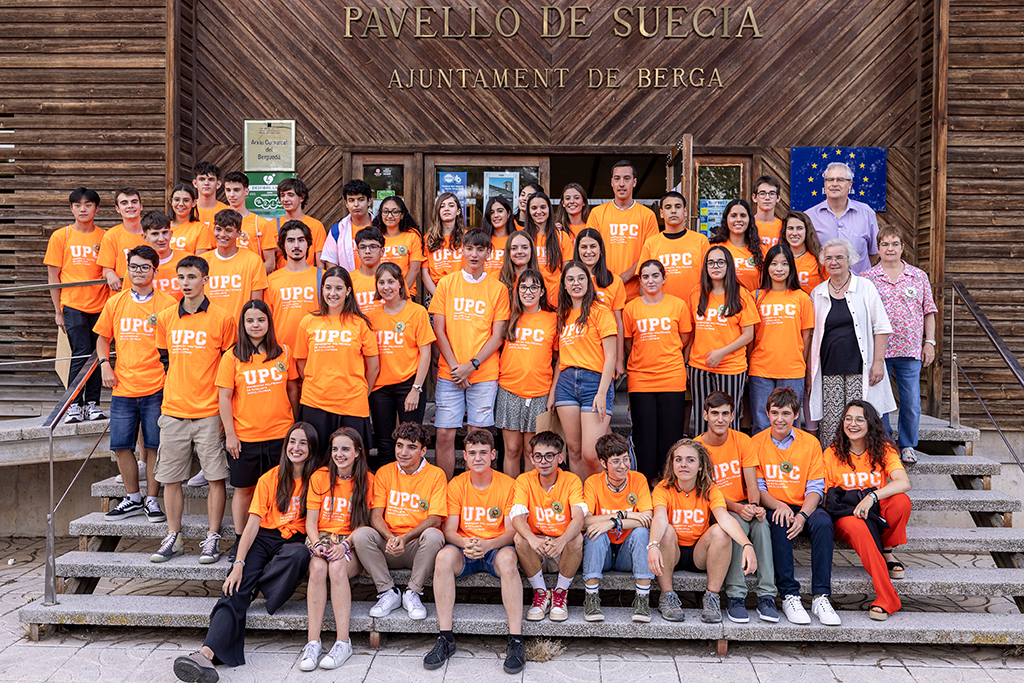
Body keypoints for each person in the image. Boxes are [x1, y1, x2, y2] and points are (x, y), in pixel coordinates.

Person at [171, 423, 318, 683]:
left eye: (303, 443)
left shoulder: (317, 479)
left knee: (299, 555)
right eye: (292, 442)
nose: (296, 448)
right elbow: (252, 525)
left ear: (312, 448)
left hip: (294, 542)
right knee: (234, 588)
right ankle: (205, 655)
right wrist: (239, 563)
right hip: (264, 538)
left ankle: (256, 584)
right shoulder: (270, 478)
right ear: (285, 446)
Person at [153, 256, 236, 563]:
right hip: (173, 410)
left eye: (191, 277)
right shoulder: (166, 318)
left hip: (209, 412)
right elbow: (165, 359)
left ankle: (212, 537)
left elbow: (230, 368)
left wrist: (225, 417)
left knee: (215, 478)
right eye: (181, 277)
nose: (185, 283)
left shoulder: (223, 318)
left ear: (205, 280)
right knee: (170, 478)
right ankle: (173, 536)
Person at [422, 430, 525, 674]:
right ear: (465, 457)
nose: (478, 458)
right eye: (472, 453)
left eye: (483, 452)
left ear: (493, 454)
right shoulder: (457, 484)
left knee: (509, 559)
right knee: (443, 558)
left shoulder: (508, 484)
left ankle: (516, 640)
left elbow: (512, 531)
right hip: (465, 548)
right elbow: (449, 530)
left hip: (495, 548)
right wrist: (466, 542)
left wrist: (488, 545)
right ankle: (445, 637)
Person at [94, 245, 175, 524]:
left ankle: (152, 500)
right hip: (123, 387)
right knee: (120, 446)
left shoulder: (167, 304)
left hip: (156, 386)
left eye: (144, 267)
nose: (138, 272)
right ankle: (133, 498)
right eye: (133, 266)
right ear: (126, 269)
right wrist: (104, 364)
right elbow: (102, 338)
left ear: (155, 271)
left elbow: (174, 347)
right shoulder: (115, 303)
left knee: (153, 447)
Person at [216, 300, 299, 562]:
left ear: (269, 322)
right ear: (242, 324)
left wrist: (294, 427)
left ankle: (274, 538)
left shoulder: (283, 352)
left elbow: (293, 390)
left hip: (280, 436)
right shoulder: (232, 356)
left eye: (261, 320)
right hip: (246, 438)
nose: (255, 325)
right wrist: (230, 434)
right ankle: (241, 539)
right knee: (244, 490)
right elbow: (224, 397)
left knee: (280, 488)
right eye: (250, 320)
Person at [751, 387, 840, 626]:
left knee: (823, 522)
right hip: (774, 503)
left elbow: (816, 488)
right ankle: (790, 594)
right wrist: (779, 505)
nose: (779, 419)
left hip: (804, 505)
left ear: (796, 415)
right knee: (779, 522)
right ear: (767, 414)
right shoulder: (756, 443)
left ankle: (821, 596)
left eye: (786, 413)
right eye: (775, 413)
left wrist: (802, 515)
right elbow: (758, 487)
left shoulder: (810, 443)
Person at [429, 228, 510, 479]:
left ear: (488, 253)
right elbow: (439, 330)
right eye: (469, 248)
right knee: (444, 434)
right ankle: (444, 491)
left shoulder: (498, 289)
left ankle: (473, 490)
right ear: (461, 250)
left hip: (483, 373)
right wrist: (457, 368)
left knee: (477, 438)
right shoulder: (446, 284)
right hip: (450, 372)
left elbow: (498, 335)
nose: (474, 254)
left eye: (480, 249)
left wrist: (471, 366)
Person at [647, 439, 757, 624]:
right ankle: (667, 596)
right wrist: (653, 545)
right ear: (672, 464)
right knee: (666, 530)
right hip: (671, 551)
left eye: (690, 460)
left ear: (700, 466)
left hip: (700, 553)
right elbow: (659, 518)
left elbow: (725, 518)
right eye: (678, 459)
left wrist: (747, 544)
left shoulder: (710, 489)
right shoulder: (663, 488)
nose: (683, 464)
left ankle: (712, 597)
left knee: (720, 531)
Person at [823, 401, 912, 621]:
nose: (852, 424)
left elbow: (903, 482)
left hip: (874, 511)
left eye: (859, 419)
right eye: (848, 419)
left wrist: (871, 497)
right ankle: (887, 597)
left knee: (901, 501)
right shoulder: (831, 454)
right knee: (859, 526)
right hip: (845, 516)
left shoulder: (884, 450)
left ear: (870, 424)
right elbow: (827, 497)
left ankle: (886, 549)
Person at [350, 422, 447, 621]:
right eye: (399, 445)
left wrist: (405, 538)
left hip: (417, 547)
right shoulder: (384, 472)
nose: (403, 452)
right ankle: (388, 591)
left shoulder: (436, 475)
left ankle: (412, 592)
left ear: (423, 451)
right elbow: (375, 516)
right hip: (388, 545)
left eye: (411, 447)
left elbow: (435, 518)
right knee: (361, 535)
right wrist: (391, 538)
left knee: (434, 535)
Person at [694, 392, 777, 623]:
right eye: (715, 414)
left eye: (725, 414)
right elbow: (706, 492)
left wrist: (754, 506)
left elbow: (752, 484)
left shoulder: (742, 440)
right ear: (705, 415)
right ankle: (736, 595)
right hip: (714, 510)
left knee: (761, 524)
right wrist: (739, 510)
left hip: (742, 505)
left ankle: (767, 595)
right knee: (737, 523)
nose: (720, 419)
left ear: (733, 416)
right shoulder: (697, 447)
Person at [808, 238, 896, 449]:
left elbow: (881, 327)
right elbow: (812, 335)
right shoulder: (817, 293)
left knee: (860, 423)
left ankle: (861, 464)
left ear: (850, 259)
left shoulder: (865, 287)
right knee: (831, 426)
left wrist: (878, 363)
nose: (834, 262)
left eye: (839, 257)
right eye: (829, 258)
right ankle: (833, 465)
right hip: (829, 369)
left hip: (860, 369)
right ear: (823, 261)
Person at [300, 427, 374, 671]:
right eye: (335, 449)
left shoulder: (368, 480)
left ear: (357, 452)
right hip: (320, 538)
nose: (339, 454)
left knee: (337, 568)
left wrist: (344, 545)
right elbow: (311, 522)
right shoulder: (320, 477)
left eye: (345, 449)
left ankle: (343, 642)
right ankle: (313, 642)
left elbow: (365, 524)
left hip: (350, 541)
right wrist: (317, 544)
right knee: (318, 569)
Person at [863, 225, 938, 463]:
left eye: (895, 244)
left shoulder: (918, 276)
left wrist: (930, 342)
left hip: (910, 349)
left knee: (911, 401)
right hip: (879, 351)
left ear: (903, 247)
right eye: (885, 244)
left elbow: (929, 311)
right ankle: (885, 444)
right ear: (878, 248)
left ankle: (907, 445)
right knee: (879, 401)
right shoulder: (867, 278)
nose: (890, 249)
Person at [295, 266, 378, 455]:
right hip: (315, 402)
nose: (333, 293)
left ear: (348, 291)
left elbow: (373, 367)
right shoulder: (308, 322)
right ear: (322, 289)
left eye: (339, 288)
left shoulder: (360, 324)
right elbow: (301, 362)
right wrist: (318, 382)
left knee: (352, 460)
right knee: (316, 459)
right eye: (328, 287)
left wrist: (362, 392)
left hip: (352, 404)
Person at [44, 187, 110, 423]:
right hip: (73, 305)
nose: (83, 209)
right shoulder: (61, 236)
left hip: (100, 305)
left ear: (96, 209)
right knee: (80, 352)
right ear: (71, 208)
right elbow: (53, 276)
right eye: (78, 205)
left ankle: (92, 404)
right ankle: (74, 404)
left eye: (88, 205)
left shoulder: (105, 236)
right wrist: (58, 311)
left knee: (96, 354)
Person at [622, 260, 691, 481]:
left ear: (664, 279)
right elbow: (628, 343)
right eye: (645, 276)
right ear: (640, 281)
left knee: (670, 434)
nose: (650, 281)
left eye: (655, 276)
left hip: (672, 376)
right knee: (644, 435)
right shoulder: (631, 308)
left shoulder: (678, 305)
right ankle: (649, 480)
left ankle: (668, 479)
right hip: (640, 378)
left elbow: (684, 338)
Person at [511, 431, 586, 623]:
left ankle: (560, 593)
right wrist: (532, 539)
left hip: (562, 548)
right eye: (538, 456)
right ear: (532, 458)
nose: (543, 461)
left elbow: (579, 518)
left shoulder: (571, 480)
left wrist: (561, 541)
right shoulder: (524, 480)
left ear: (560, 458)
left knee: (576, 538)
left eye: (549, 456)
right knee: (519, 538)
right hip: (536, 547)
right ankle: (541, 593)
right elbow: (517, 518)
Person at [367, 263, 435, 468]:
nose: (386, 287)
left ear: (400, 284)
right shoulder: (371, 316)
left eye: (391, 282)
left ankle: (412, 480)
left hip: (409, 384)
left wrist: (416, 389)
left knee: (411, 441)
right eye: (381, 282)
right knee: (384, 443)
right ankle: (386, 483)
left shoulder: (417, 312)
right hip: (380, 388)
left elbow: (425, 353)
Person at [687, 246, 759, 435]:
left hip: (731, 367)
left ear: (729, 265)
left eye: (720, 262)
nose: (715, 266)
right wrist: (686, 362)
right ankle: (704, 454)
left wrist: (721, 353)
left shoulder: (741, 294)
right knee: (703, 418)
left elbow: (748, 334)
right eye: (711, 262)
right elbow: (692, 331)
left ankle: (729, 454)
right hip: (699, 367)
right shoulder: (696, 293)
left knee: (727, 419)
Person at [581, 434, 654, 623]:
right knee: (595, 532)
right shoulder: (593, 482)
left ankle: (642, 599)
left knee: (642, 533)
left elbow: (647, 519)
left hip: (627, 553)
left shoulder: (638, 479)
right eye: (616, 461)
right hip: (602, 552)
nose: (623, 466)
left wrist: (614, 523)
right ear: (603, 463)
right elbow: (585, 522)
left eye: (626, 459)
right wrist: (622, 515)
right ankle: (591, 598)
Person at [554, 262, 617, 478]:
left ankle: (596, 494)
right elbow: (561, 358)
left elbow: (611, 356)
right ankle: (580, 498)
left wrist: (602, 392)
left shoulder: (601, 311)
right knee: (574, 451)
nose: (576, 283)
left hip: (594, 382)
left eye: (581, 278)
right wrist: (553, 393)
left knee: (591, 453)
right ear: (564, 285)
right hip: (566, 384)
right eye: (570, 279)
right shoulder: (563, 314)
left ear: (589, 282)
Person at [496, 268, 559, 477]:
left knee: (532, 452)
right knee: (512, 449)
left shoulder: (552, 318)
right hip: (509, 390)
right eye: (523, 287)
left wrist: (552, 394)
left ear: (542, 291)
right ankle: (512, 495)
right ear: (517, 291)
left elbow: (559, 359)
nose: (528, 292)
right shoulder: (508, 316)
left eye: (534, 287)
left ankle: (529, 493)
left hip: (539, 393)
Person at [748, 244, 814, 433]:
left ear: (791, 267)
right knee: (762, 422)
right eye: (774, 263)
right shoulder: (756, 296)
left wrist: (802, 364)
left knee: (788, 422)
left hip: (792, 370)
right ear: (767, 267)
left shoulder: (801, 297)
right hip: (761, 369)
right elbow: (750, 336)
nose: (779, 269)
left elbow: (806, 336)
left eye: (784, 264)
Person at [585, 161, 658, 300]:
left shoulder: (647, 215)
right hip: (603, 290)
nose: (621, 184)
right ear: (612, 182)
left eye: (627, 178)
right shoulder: (597, 214)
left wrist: (624, 277)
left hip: (636, 294)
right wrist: (607, 278)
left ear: (634, 182)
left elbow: (649, 254)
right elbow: (589, 252)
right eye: (617, 179)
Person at [807, 162, 880, 274]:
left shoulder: (866, 213)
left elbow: (875, 252)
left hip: (859, 282)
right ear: (825, 184)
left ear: (850, 184)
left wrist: (857, 273)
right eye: (830, 180)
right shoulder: (810, 216)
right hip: (823, 282)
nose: (834, 184)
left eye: (840, 180)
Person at [638, 191, 709, 302]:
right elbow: (643, 284)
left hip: (695, 308)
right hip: (662, 310)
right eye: (668, 207)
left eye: (678, 206)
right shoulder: (651, 243)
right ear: (661, 213)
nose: (673, 211)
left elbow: (709, 278)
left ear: (685, 212)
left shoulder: (701, 241)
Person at [574, 228, 625, 377]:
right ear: (577, 250)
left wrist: (619, 360)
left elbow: (618, 322)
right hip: (577, 355)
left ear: (601, 249)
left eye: (593, 246)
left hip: (605, 355)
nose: (588, 251)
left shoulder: (614, 281)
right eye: (584, 247)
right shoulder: (568, 281)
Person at [200, 209, 268, 320]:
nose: (222, 235)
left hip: (239, 327)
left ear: (239, 233)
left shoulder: (253, 261)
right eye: (218, 229)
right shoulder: (202, 261)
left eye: (228, 230)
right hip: (209, 326)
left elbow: (255, 304)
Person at [265, 220, 318, 351]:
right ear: (282, 245)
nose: (296, 245)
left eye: (301, 240)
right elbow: (266, 318)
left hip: (315, 348)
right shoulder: (271, 280)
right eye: (290, 241)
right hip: (281, 350)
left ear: (308, 244)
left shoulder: (322, 277)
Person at [524, 191, 573, 305]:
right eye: (534, 208)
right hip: (531, 296)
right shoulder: (523, 237)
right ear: (529, 211)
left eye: (543, 207)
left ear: (549, 209)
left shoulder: (562, 236)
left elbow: (566, 272)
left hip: (556, 298)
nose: (539, 212)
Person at [222, 172, 276, 274]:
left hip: (251, 279)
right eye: (228, 190)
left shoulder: (260, 223)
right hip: (225, 278)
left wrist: (248, 277)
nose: (231, 195)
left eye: (236, 190)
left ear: (246, 191)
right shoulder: (218, 221)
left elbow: (270, 263)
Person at [372, 196, 424, 296]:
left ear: (402, 215)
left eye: (395, 212)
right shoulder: (375, 236)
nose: (389, 216)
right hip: (380, 293)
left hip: (405, 293)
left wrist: (400, 292)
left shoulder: (412, 236)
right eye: (385, 211)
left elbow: (414, 269)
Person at [97, 186, 146, 291]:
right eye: (124, 203)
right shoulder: (111, 235)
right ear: (117, 209)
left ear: (141, 206)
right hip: (122, 294)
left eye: (134, 202)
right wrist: (109, 274)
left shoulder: (153, 233)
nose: (130, 206)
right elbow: (106, 269)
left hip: (151, 293)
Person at [709, 199, 764, 293]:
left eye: (743, 215)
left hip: (752, 302)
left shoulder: (761, 250)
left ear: (749, 219)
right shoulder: (714, 248)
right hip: (722, 302)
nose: (738, 219)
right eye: (733, 216)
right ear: (726, 219)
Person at [271, 178, 326, 269]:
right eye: (282, 195)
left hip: (307, 275)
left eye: (290, 195)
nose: (285, 199)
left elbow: (320, 263)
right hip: (280, 276)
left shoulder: (316, 226)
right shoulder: (271, 225)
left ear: (301, 198)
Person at [323, 179, 374, 272]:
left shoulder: (382, 227)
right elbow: (330, 263)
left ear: (369, 201)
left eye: (361, 200)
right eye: (351, 200)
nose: (356, 204)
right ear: (346, 203)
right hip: (348, 280)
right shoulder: (337, 230)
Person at [423, 193, 465, 297]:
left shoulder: (467, 237)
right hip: (436, 292)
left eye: (451, 205)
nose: (446, 209)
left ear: (458, 211)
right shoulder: (428, 239)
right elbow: (424, 272)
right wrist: (438, 295)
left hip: (462, 291)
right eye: (442, 206)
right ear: (438, 211)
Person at [142, 210, 187, 301]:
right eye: (155, 234)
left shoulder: (187, 260)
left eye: (165, 232)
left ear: (171, 234)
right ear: (145, 237)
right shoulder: (137, 268)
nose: (161, 239)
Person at [780, 210, 825, 294]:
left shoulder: (819, 259)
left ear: (807, 231)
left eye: (799, 228)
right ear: (784, 232)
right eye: (790, 228)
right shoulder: (777, 258)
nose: (794, 233)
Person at [350, 227, 386, 316]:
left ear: (382, 251)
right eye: (363, 247)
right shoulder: (349, 280)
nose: (367, 251)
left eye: (373, 247)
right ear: (357, 252)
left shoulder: (393, 279)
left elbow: (403, 310)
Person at [167, 183, 209, 254]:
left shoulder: (200, 228)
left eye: (186, 200)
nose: (181, 204)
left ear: (194, 203)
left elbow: (200, 259)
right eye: (176, 200)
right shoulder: (162, 226)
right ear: (170, 201)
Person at [483, 195, 516, 275]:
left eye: (500, 211)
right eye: (492, 212)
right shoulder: (482, 240)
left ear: (508, 213)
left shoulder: (515, 240)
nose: (496, 215)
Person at [193, 161, 228, 228]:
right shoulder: (188, 210)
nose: (206, 183)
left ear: (218, 184)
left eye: (211, 180)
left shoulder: (226, 210)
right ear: (195, 183)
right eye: (202, 179)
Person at [752, 175, 782, 249]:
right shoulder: (747, 225)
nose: (767, 198)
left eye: (772, 193)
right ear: (754, 197)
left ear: (778, 198)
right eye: (762, 193)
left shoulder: (783, 226)